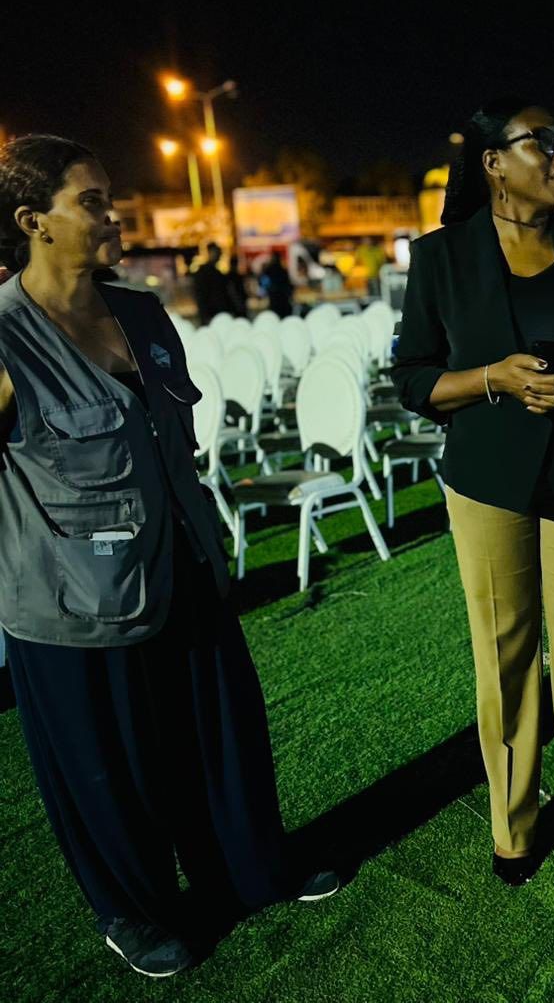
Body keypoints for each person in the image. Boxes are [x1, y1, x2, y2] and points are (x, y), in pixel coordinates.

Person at [0, 136, 338, 979]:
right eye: (92, 201)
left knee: (220, 736)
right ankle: (134, 911)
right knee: (107, 769)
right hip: (72, 604)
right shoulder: (5, 338)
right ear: (33, 221)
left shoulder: (143, 314)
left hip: (183, 564)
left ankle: (253, 870)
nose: (113, 213)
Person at [393, 99, 554, 886]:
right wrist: (494, 378)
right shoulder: (440, 258)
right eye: (543, 142)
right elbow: (414, 379)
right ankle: (513, 827)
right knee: (504, 656)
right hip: (487, 481)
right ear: (494, 164)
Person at [191, 241, 232, 325]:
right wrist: (205, 316)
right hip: (211, 315)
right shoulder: (204, 273)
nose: (219, 256)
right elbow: (201, 296)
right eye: (218, 253)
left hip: (217, 314)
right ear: (210, 252)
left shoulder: (216, 273)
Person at [258, 249, 294, 318]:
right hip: (282, 299)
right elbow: (288, 285)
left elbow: (263, 284)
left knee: (275, 316)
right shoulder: (283, 271)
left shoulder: (269, 270)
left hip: (274, 298)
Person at [226, 252, 249, 317]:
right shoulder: (234, 277)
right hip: (235, 306)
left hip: (235, 306)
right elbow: (232, 291)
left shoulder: (235, 276)